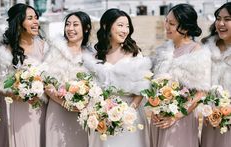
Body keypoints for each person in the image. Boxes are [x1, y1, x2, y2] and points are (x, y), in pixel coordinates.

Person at [83, 8, 151, 147]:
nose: (125, 30)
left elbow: (142, 88)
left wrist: (127, 111)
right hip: (102, 117)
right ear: (106, 26)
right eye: (120, 25)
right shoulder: (94, 56)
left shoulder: (134, 53)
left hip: (130, 117)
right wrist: (101, 111)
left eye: (127, 26)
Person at [150, 4, 211, 147]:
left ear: (185, 27)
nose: (166, 26)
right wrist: (155, 108)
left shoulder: (197, 52)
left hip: (183, 119)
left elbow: (200, 92)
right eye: (166, 21)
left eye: (172, 23)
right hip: (160, 117)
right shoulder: (163, 50)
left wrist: (176, 116)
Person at [0, 3, 49, 147]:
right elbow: (0, 85)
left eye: (36, 18)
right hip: (19, 109)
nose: (36, 21)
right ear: (19, 23)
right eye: (30, 18)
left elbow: (52, 77)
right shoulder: (5, 52)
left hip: (42, 108)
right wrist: (21, 92)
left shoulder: (44, 46)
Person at [44, 11, 92, 147]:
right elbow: (46, 83)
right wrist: (65, 103)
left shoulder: (91, 55)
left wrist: (83, 103)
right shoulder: (55, 50)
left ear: (86, 28)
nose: (70, 28)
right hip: (57, 110)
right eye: (68, 24)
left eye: (75, 25)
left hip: (81, 114)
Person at [200, 2, 231, 147]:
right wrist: (207, 107)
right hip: (210, 118)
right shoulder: (206, 49)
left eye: (227, 19)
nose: (221, 23)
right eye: (218, 18)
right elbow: (199, 84)